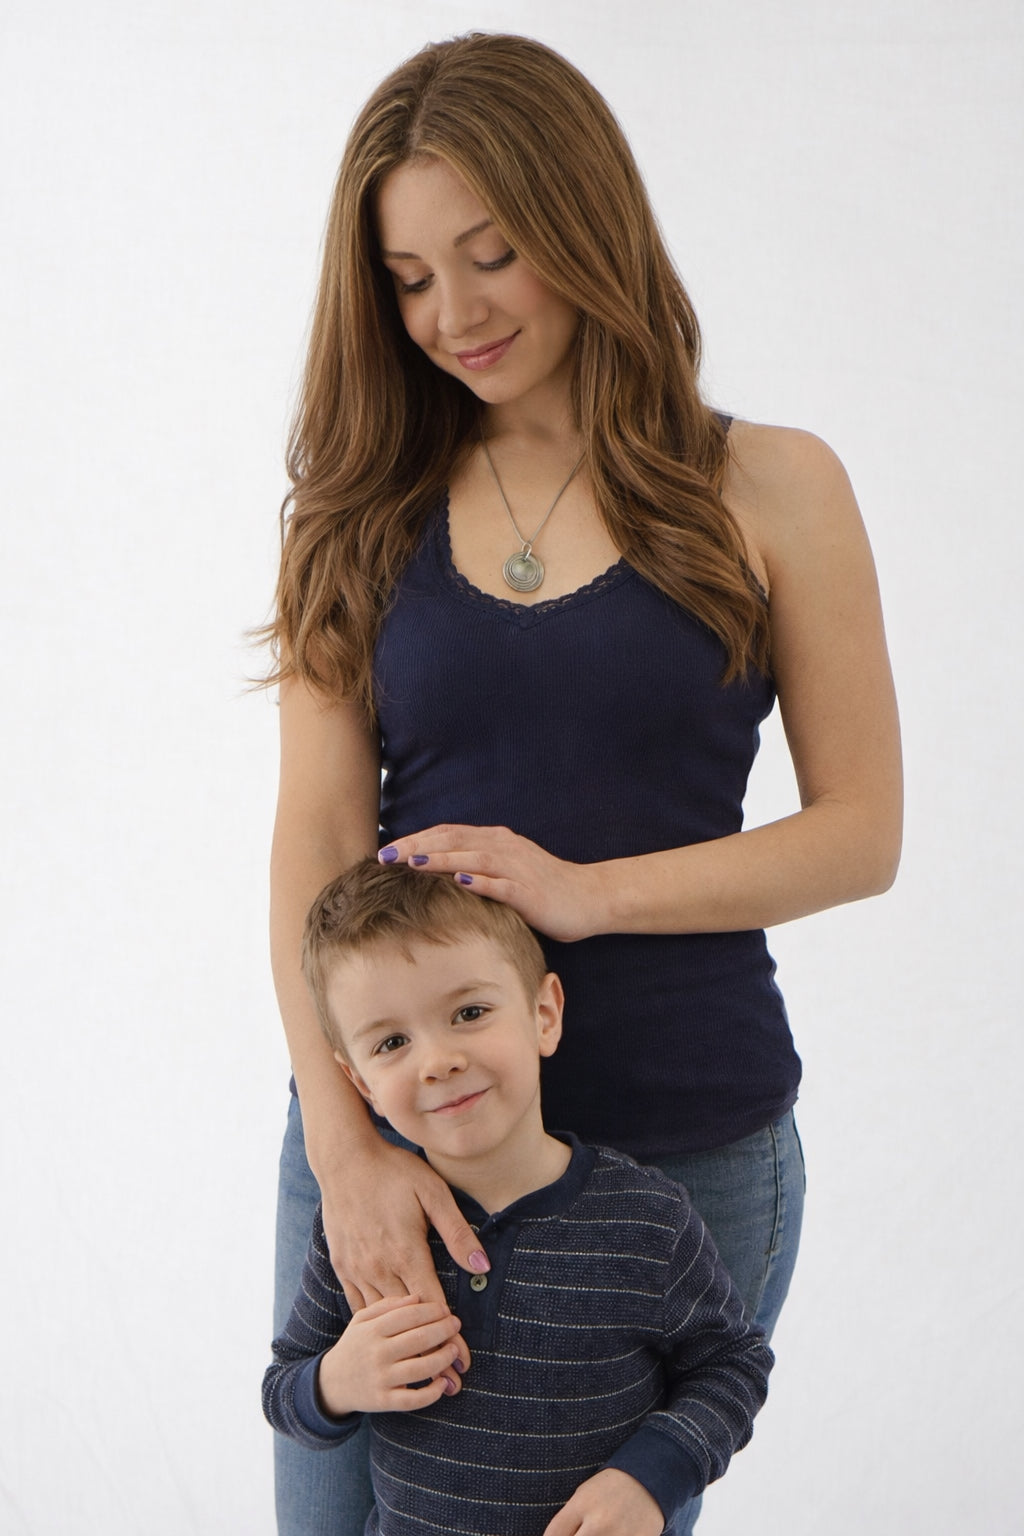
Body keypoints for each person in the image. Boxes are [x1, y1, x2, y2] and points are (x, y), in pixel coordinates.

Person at [264, 30, 902, 1536]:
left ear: (585, 222)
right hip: (399, 1139)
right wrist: (345, 1141)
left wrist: (583, 895)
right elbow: (316, 838)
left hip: (686, 1139)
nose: (454, 314)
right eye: (410, 280)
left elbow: (862, 835)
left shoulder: (773, 488)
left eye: (493, 255)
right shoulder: (358, 514)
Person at [264, 860, 774, 1536]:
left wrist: (650, 1478)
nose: (437, 1060)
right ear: (359, 1084)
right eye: (392, 1042)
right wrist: (334, 1383)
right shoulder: (371, 1233)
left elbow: (732, 1364)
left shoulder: (646, 1222)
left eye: (469, 1012)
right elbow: (284, 1388)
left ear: (543, 1013)